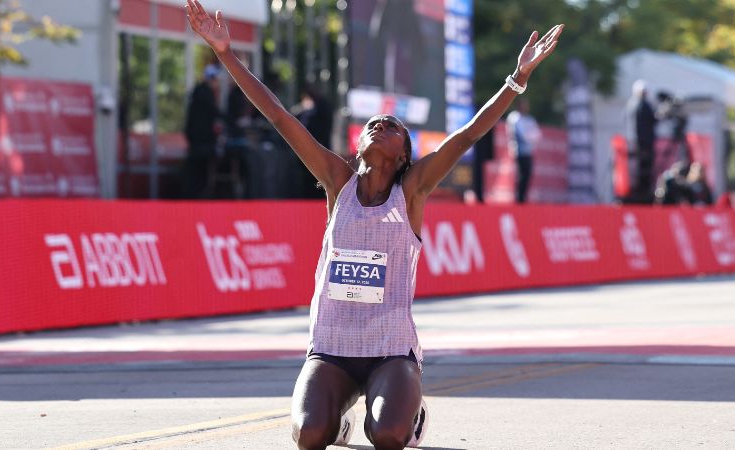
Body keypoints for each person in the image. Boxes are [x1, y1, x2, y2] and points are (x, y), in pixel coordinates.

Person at [185, 2, 562, 448]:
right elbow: (279, 116)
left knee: (387, 436)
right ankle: (339, 420)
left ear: (404, 156)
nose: (381, 124)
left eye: (393, 126)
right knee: (310, 435)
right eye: (373, 124)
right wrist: (226, 53)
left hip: (390, 350)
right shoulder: (337, 181)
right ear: (359, 144)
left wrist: (516, 79)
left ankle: (410, 412)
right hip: (331, 347)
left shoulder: (412, 191)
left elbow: (468, 135)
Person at [183, 63, 223, 198]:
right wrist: (232, 121)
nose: (216, 83)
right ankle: (197, 197)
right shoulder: (204, 93)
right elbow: (214, 112)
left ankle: (195, 196)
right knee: (199, 172)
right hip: (201, 141)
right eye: (215, 79)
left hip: (197, 139)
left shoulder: (200, 92)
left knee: (197, 171)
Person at [625, 80, 657, 204]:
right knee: (642, 171)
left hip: (638, 143)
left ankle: (641, 192)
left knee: (640, 171)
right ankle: (642, 194)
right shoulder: (640, 105)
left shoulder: (631, 104)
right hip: (642, 144)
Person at [505, 98, 541, 203]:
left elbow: (537, 134)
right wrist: (530, 137)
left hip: (528, 151)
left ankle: (523, 197)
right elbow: (523, 135)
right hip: (519, 152)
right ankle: (519, 198)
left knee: (527, 175)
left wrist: (531, 138)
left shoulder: (529, 119)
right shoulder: (514, 118)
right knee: (521, 175)